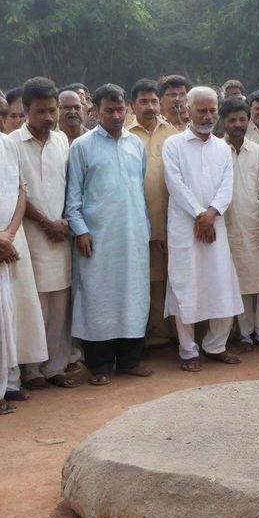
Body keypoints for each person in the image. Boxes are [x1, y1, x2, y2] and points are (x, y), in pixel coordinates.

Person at [65, 83, 153, 385]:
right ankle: (100, 365)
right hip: (97, 239)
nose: (116, 116)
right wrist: (81, 231)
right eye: (109, 110)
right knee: (97, 298)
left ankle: (129, 361)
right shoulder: (82, 147)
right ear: (95, 112)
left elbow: (137, 189)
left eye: (120, 109)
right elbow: (73, 197)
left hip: (132, 235)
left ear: (127, 108)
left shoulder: (135, 145)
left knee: (132, 296)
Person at [163, 87, 243, 371]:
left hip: (215, 223)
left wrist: (211, 214)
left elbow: (226, 186)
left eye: (212, 111)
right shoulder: (173, 145)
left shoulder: (222, 147)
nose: (208, 116)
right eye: (202, 111)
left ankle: (215, 345)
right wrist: (199, 215)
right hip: (186, 227)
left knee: (220, 283)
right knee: (186, 285)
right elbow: (175, 184)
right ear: (188, 110)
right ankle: (188, 351)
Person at [9, 77, 77, 389]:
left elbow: (70, 186)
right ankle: (32, 370)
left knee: (60, 302)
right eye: (41, 112)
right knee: (33, 302)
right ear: (25, 110)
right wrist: (45, 222)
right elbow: (16, 192)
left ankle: (56, 366)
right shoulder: (12, 144)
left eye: (52, 111)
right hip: (30, 234)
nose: (49, 118)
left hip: (61, 234)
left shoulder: (62, 140)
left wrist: (62, 221)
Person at [221, 98, 259, 351]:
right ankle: (245, 335)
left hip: (256, 224)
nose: (238, 124)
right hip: (227, 227)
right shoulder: (215, 151)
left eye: (242, 119)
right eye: (232, 120)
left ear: (249, 121)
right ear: (223, 122)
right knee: (240, 284)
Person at [126, 78, 178, 347]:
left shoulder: (171, 133)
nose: (149, 106)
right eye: (143, 101)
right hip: (132, 221)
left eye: (154, 101)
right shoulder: (122, 133)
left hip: (167, 219)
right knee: (138, 280)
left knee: (165, 278)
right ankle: (140, 335)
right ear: (131, 104)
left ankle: (165, 334)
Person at [0, 133, 26, 413]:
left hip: (6, 242)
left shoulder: (7, 144)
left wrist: (8, 235)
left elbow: (21, 191)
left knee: (5, 318)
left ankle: (6, 384)